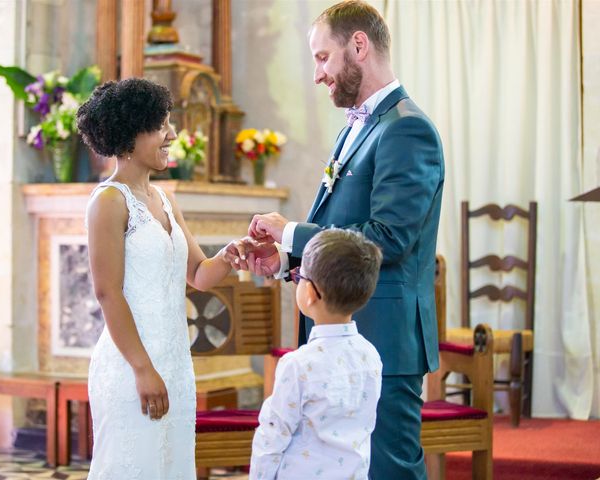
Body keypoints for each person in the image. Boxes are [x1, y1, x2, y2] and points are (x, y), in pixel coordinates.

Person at [245, 2, 445, 478]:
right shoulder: (355, 130)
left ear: (359, 45)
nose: (318, 74)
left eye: (321, 57)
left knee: (388, 470)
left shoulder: (407, 129)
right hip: (346, 332)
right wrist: (289, 261)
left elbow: (387, 238)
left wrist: (292, 231)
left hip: (384, 338)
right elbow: (347, 231)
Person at [78, 78, 248, 479]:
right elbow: (107, 293)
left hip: (175, 365)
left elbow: (199, 275)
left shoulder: (166, 199)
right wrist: (142, 368)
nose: (171, 135)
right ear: (128, 134)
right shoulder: (108, 201)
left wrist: (233, 253)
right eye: (160, 126)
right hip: (130, 366)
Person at [249, 229, 384, 479]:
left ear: (310, 293)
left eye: (299, 276)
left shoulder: (298, 365)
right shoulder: (370, 355)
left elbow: (272, 436)